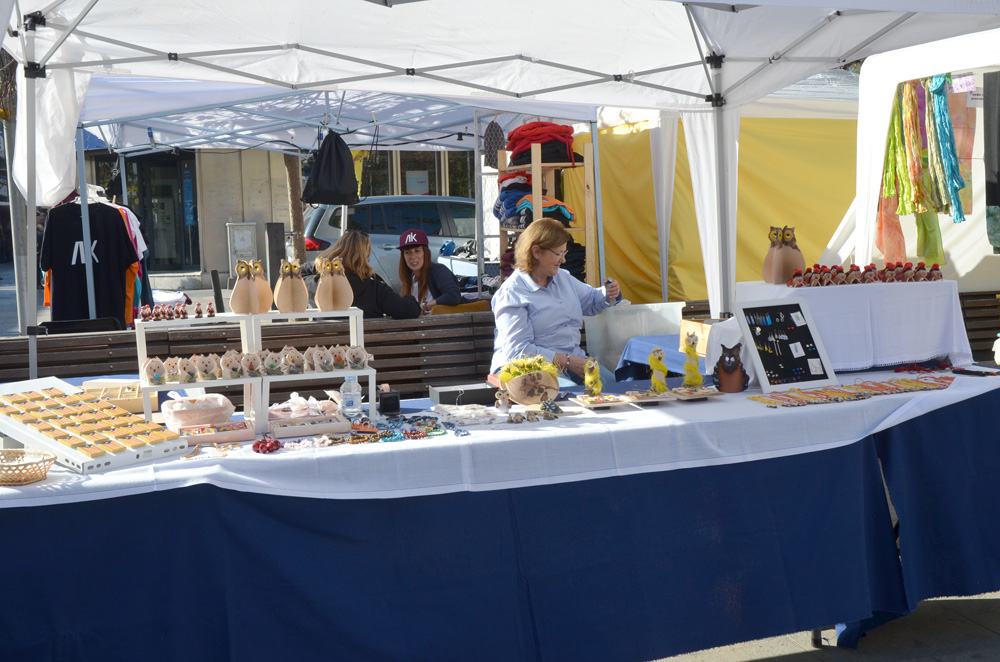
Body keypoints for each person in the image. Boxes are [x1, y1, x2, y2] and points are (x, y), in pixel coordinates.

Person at [490, 217, 621, 385]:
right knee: (570, 394)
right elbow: (518, 351)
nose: (563, 260)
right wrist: (567, 361)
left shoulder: (563, 278)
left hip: (573, 362)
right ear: (536, 252)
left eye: (564, 253)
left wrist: (608, 293)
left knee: (618, 388)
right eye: (558, 253)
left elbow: (591, 301)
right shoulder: (512, 293)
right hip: (528, 369)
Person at [307, 230, 420, 319]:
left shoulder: (316, 285)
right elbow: (411, 310)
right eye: (368, 256)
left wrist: (323, 264)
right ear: (364, 259)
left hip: (327, 348)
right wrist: (409, 297)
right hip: (365, 348)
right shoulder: (375, 289)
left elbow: (301, 270)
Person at [397, 228, 463, 314]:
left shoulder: (438, 271)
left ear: (425, 253)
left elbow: (453, 296)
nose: (413, 256)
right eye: (408, 252)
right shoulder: (410, 280)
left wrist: (425, 306)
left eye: (417, 251)